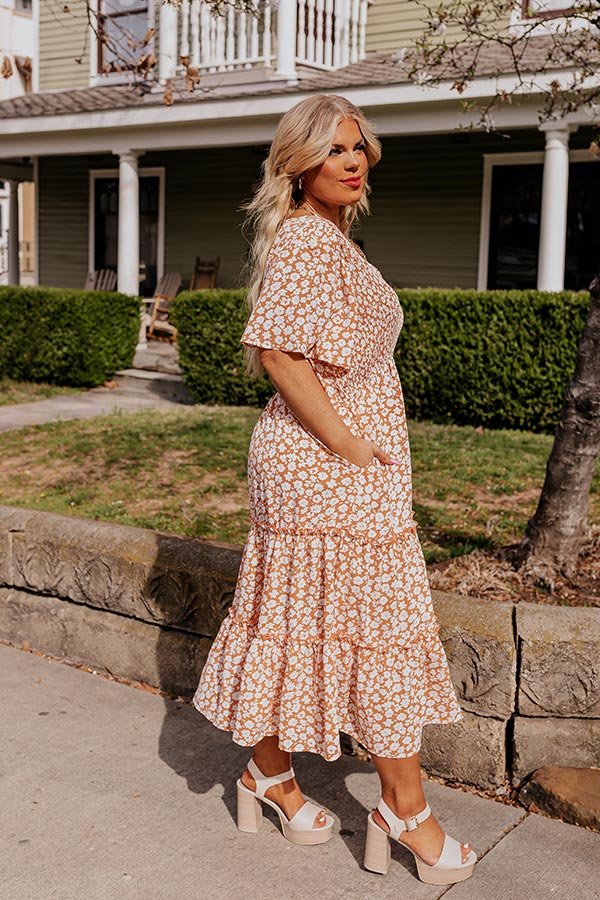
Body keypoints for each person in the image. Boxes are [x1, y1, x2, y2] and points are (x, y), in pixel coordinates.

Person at [192, 93, 477, 885]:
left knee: (303, 622)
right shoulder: (308, 245)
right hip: (325, 466)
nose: (352, 161)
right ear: (298, 166)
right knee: (372, 630)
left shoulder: (332, 242)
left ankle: (269, 776)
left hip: (339, 465)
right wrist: (354, 446)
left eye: (358, 148)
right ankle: (407, 815)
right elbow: (279, 356)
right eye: (332, 151)